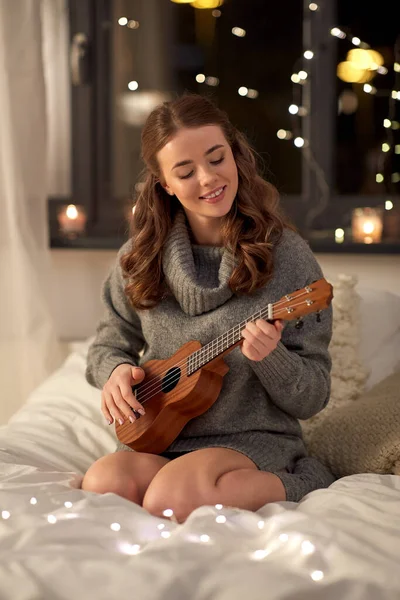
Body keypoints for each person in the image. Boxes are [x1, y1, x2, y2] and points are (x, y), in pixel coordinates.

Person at [82, 93, 335, 522]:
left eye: (217, 158)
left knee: (171, 499)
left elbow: (313, 396)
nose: (208, 178)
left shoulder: (286, 257)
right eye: (186, 171)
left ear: (236, 156)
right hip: (158, 438)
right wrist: (114, 372)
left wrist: (270, 357)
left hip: (251, 439)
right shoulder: (139, 258)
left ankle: (305, 479)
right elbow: (108, 342)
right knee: (103, 485)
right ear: (165, 184)